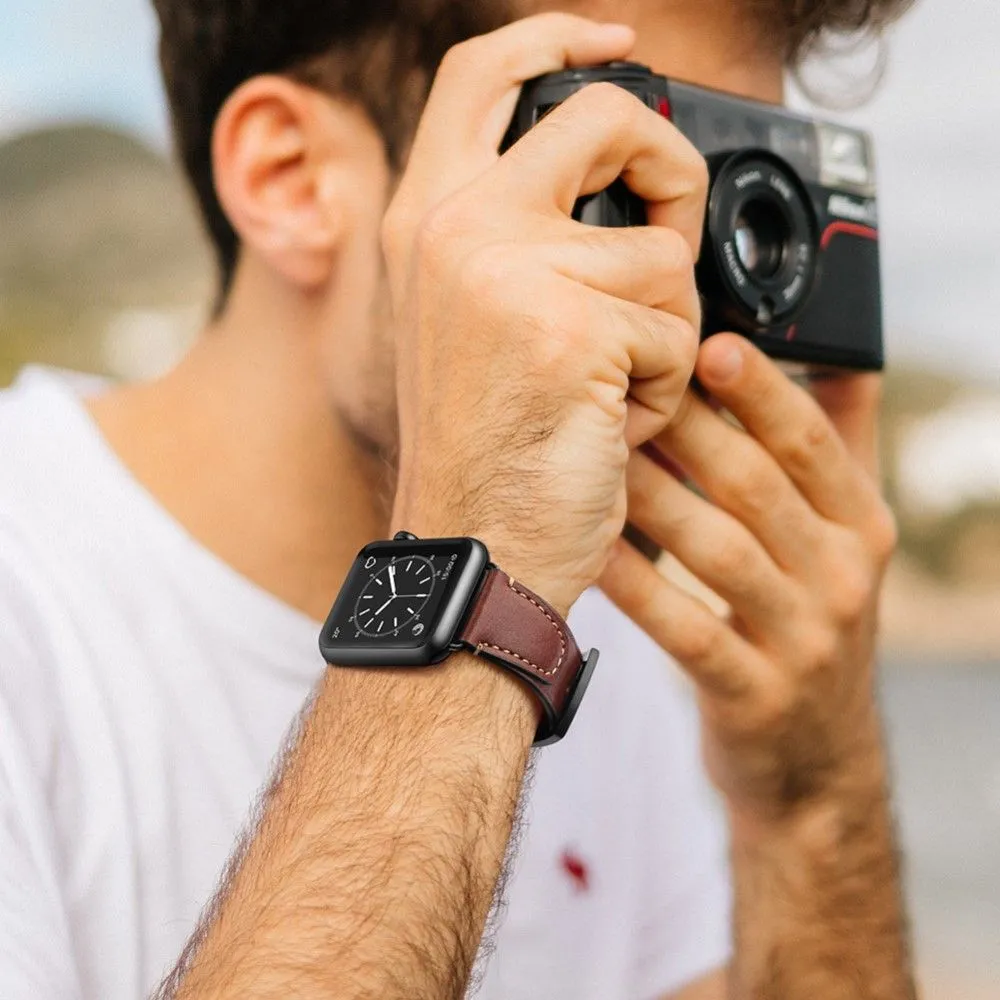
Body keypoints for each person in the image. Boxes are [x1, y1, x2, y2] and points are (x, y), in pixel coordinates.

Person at [0, 1, 918, 998]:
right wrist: (477, 569)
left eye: (728, 197)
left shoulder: (597, 637)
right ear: (290, 180)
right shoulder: (34, 612)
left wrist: (814, 805)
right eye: (624, 176)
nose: (683, 295)